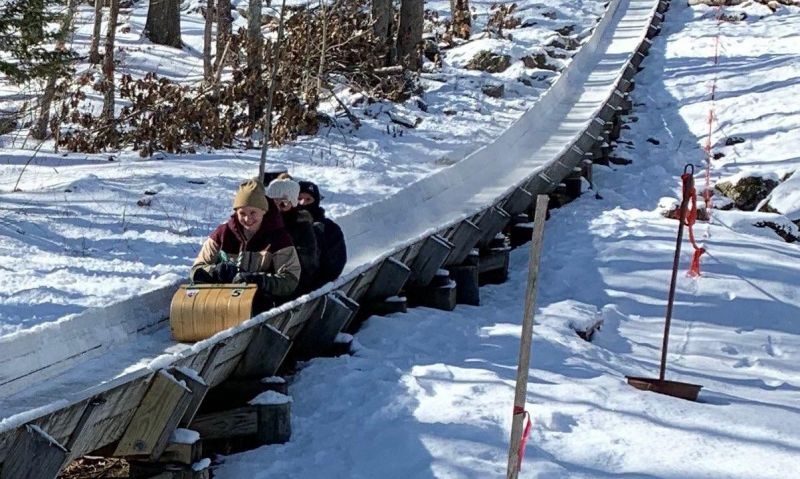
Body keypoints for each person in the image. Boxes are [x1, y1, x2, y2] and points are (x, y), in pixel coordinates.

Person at [190, 179, 301, 307]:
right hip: (221, 301)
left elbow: (290, 280)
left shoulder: (279, 238)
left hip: (261, 304)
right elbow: (196, 269)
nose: (248, 219)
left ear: (263, 211)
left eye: (253, 213)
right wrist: (215, 271)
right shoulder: (222, 234)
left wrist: (259, 280)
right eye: (242, 213)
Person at [265, 177, 320, 296]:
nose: (277, 209)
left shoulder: (301, 228)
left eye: (283, 203)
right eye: (272, 203)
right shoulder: (260, 223)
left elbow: (307, 265)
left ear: (293, 204)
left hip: (289, 288)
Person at [297, 180, 347, 287]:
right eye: (299, 198)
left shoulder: (330, 229)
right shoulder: (284, 224)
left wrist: (318, 284)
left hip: (315, 286)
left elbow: (336, 262)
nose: (303, 203)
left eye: (308, 199)